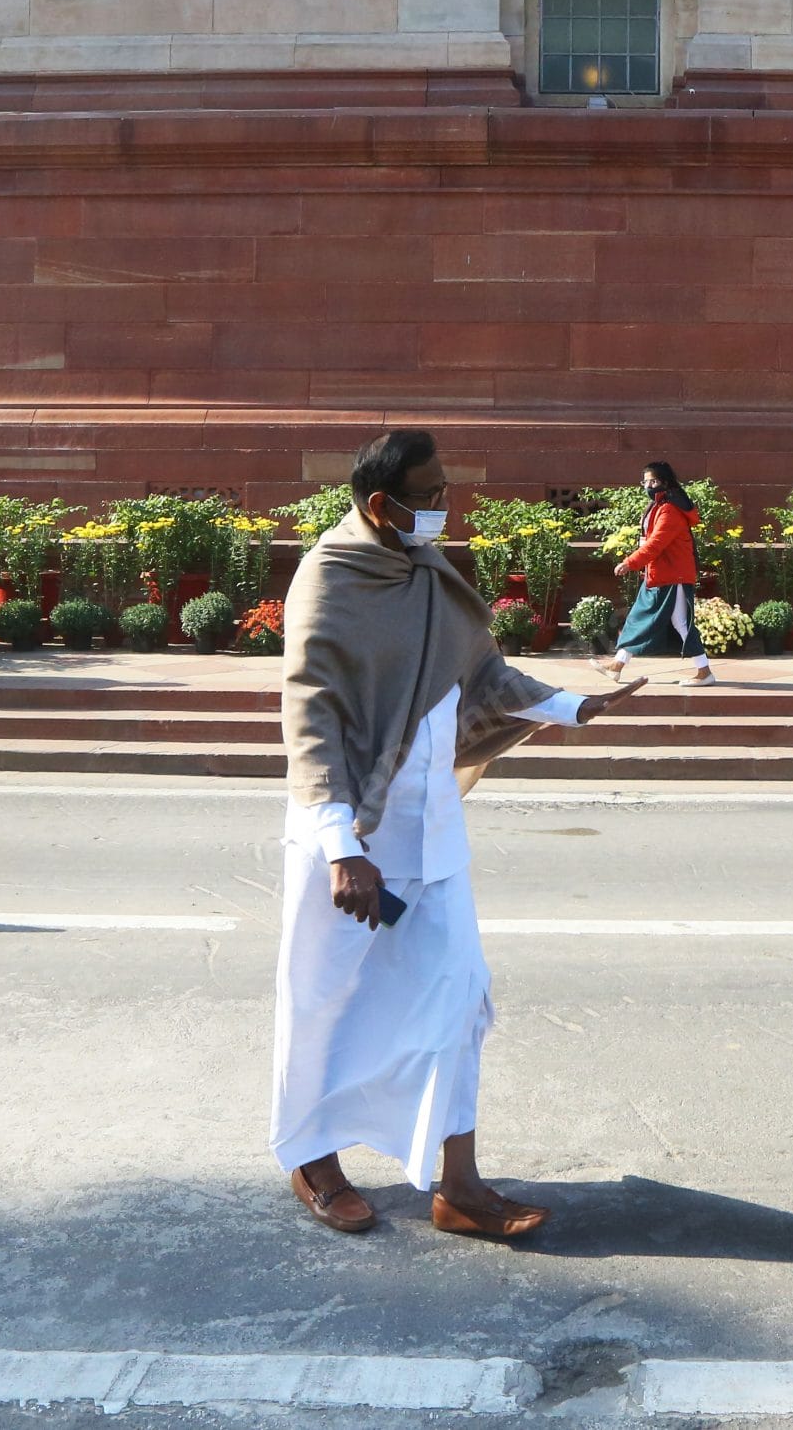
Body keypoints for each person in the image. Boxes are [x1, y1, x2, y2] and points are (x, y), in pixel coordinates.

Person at [274, 429, 645, 1241]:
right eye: (430, 494)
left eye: (446, 490)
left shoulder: (428, 570)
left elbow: (482, 674)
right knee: (326, 1003)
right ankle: (313, 1159)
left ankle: (460, 1187)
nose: (445, 506)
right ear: (382, 504)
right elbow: (311, 713)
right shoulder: (330, 579)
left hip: (431, 833)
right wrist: (341, 848)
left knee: (457, 1001)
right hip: (354, 838)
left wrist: (570, 705)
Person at [591, 460, 712, 687]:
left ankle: (704, 672)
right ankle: (617, 665)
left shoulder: (670, 510)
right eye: (646, 482)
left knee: (679, 623)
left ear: (665, 482)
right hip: (661, 575)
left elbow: (656, 544)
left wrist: (630, 563)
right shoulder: (660, 506)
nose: (648, 486)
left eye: (653, 481)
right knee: (641, 619)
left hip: (672, 577)